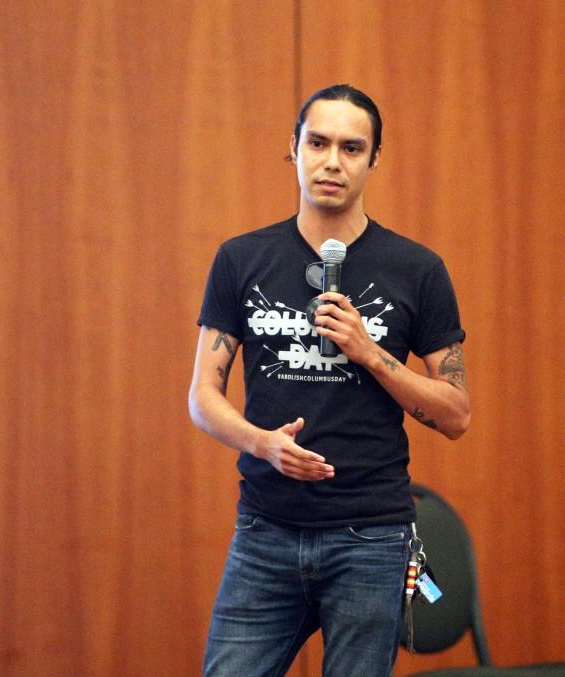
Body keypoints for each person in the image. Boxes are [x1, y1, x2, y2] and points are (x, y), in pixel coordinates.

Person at [189, 84, 470, 677]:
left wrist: (370, 353)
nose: (332, 161)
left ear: (373, 160)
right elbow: (203, 396)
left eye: (351, 147)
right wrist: (261, 443)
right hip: (265, 527)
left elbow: (455, 415)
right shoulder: (241, 259)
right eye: (317, 143)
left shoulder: (416, 269)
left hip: (370, 536)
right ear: (292, 150)